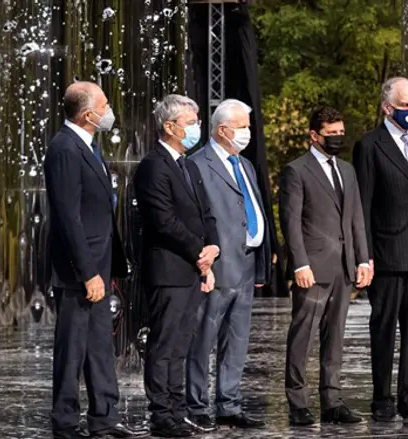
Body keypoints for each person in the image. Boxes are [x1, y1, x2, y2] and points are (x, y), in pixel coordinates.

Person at [44, 81, 147, 439]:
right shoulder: (64, 149)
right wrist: (87, 272)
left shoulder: (88, 146)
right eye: (104, 104)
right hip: (78, 270)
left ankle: (104, 416)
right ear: (88, 113)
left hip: (100, 264)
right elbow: (68, 215)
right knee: (71, 348)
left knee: (100, 343)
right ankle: (66, 422)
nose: (109, 110)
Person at [353, 77, 408, 421]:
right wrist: (366, 254)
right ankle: (382, 398)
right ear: (387, 107)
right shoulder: (370, 145)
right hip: (387, 253)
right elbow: (363, 202)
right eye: (405, 106)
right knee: (385, 327)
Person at [134, 94, 220, 437]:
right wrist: (200, 250)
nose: (196, 129)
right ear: (169, 126)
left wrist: (212, 248)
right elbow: (162, 221)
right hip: (169, 269)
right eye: (190, 123)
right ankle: (161, 413)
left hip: (192, 268)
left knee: (182, 344)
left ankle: (178, 408)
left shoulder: (189, 164)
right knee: (164, 345)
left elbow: (206, 212)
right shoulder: (153, 165)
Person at [281, 106, 372, 426]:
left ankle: (332, 401)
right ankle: (297, 402)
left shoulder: (347, 170)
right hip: (312, 268)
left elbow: (357, 218)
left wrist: (363, 258)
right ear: (314, 135)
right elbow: (291, 223)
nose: (337, 139)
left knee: (335, 337)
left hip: (343, 268)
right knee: (302, 336)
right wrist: (299, 264)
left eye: (340, 133)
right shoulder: (296, 170)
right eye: (331, 134)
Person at [185, 100, 271, 431]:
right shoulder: (198, 165)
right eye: (243, 127)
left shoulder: (245, 165)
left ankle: (229, 404)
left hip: (247, 265)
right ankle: (195, 403)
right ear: (223, 129)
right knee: (203, 338)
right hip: (217, 267)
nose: (248, 133)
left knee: (237, 339)